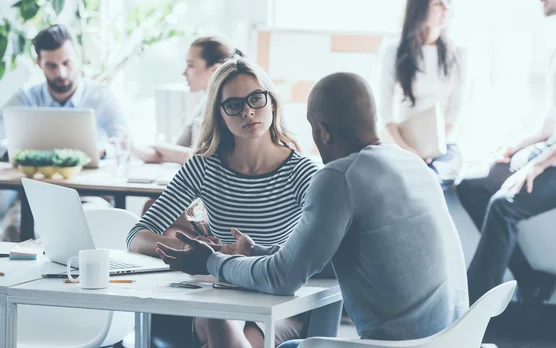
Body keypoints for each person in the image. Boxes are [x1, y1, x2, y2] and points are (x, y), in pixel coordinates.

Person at [156, 72, 469, 347]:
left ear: (323, 132)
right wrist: (259, 251)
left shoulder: (339, 177)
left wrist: (212, 261)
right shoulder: (411, 163)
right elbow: (337, 257)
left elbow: (283, 279)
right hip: (454, 338)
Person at [127, 56, 337, 347]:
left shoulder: (300, 173)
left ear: (272, 103)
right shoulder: (203, 167)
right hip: (221, 293)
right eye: (234, 105)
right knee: (216, 315)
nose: (248, 112)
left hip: (277, 299)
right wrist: (191, 249)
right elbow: (136, 236)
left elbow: (328, 251)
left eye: (256, 99)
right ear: (220, 115)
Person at [457, 0, 556, 304]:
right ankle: (531, 280)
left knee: (505, 204)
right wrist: (521, 144)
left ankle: (474, 311)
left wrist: (539, 163)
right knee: (472, 186)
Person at [0, 24, 127, 241]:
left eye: (67, 63)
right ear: (38, 64)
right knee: (14, 229)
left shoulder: (101, 97)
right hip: (31, 198)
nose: (61, 73)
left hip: (88, 195)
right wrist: (10, 150)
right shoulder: (24, 100)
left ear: (77, 58)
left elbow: (124, 143)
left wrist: (104, 151)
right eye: (51, 65)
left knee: (89, 230)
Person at [380, 0, 464, 189]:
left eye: (448, 3)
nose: (446, 9)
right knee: (402, 183)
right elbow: (385, 111)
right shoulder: (394, 51)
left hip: (443, 147)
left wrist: (432, 148)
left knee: (429, 182)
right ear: (420, 8)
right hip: (403, 144)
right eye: (438, 4)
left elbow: (456, 108)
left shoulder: (456, 53)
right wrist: (408, 149)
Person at [132, 36, 233, 165]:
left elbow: (201, 157)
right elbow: (174, 151)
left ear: (215, 69)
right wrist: (131, 147)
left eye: (191, 65)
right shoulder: (203, 103)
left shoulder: (227, 109)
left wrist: (159, 146)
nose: (184, 73)